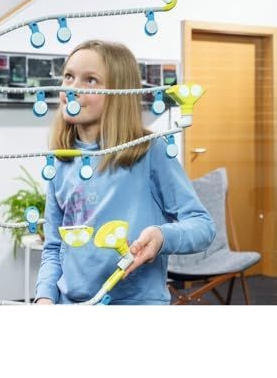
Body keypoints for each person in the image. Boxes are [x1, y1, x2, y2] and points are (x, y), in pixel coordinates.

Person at [35, 40, 215, 305]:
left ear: (119, 92)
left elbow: (203, 226)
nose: (72, 89)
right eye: (69, 77)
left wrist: (161, 236)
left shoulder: (150, 151)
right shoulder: (61, 161)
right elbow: (53, 247)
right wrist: (44, 297)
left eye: (91, 80)